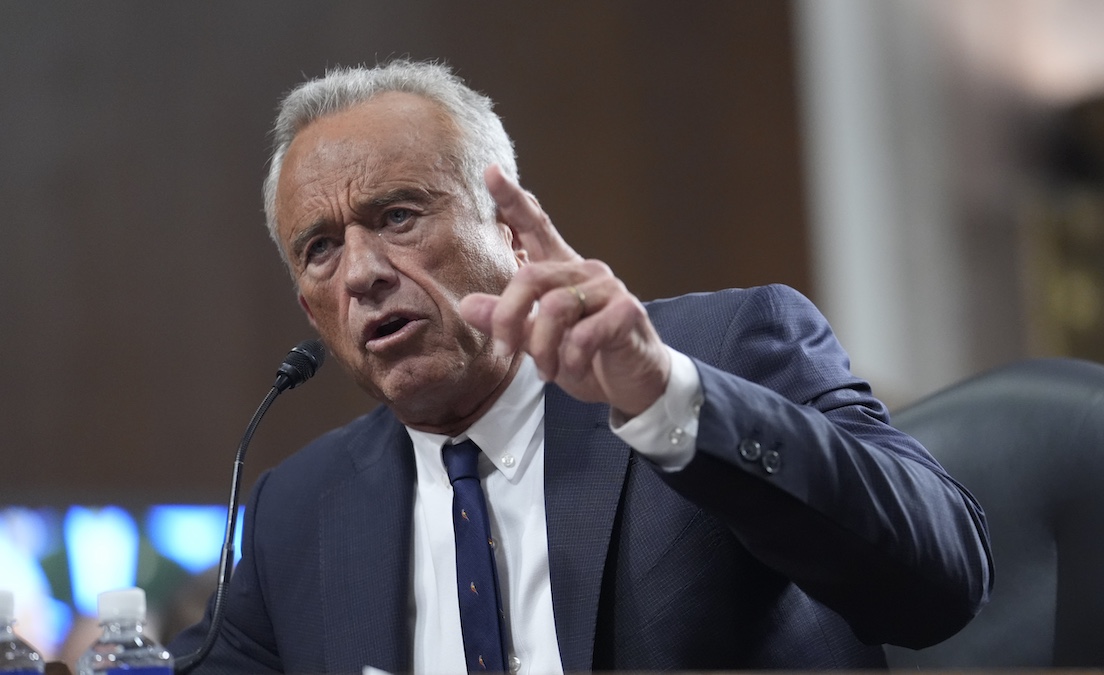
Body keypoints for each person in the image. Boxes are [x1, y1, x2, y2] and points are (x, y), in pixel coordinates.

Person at [170, 59, 992, 673]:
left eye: (398, 215)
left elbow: (940, 581)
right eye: (320, 250)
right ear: (313, 311)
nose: (362, 272)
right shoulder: (301, 510)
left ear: (513, 233)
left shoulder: (728, 346)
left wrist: (667, 398)